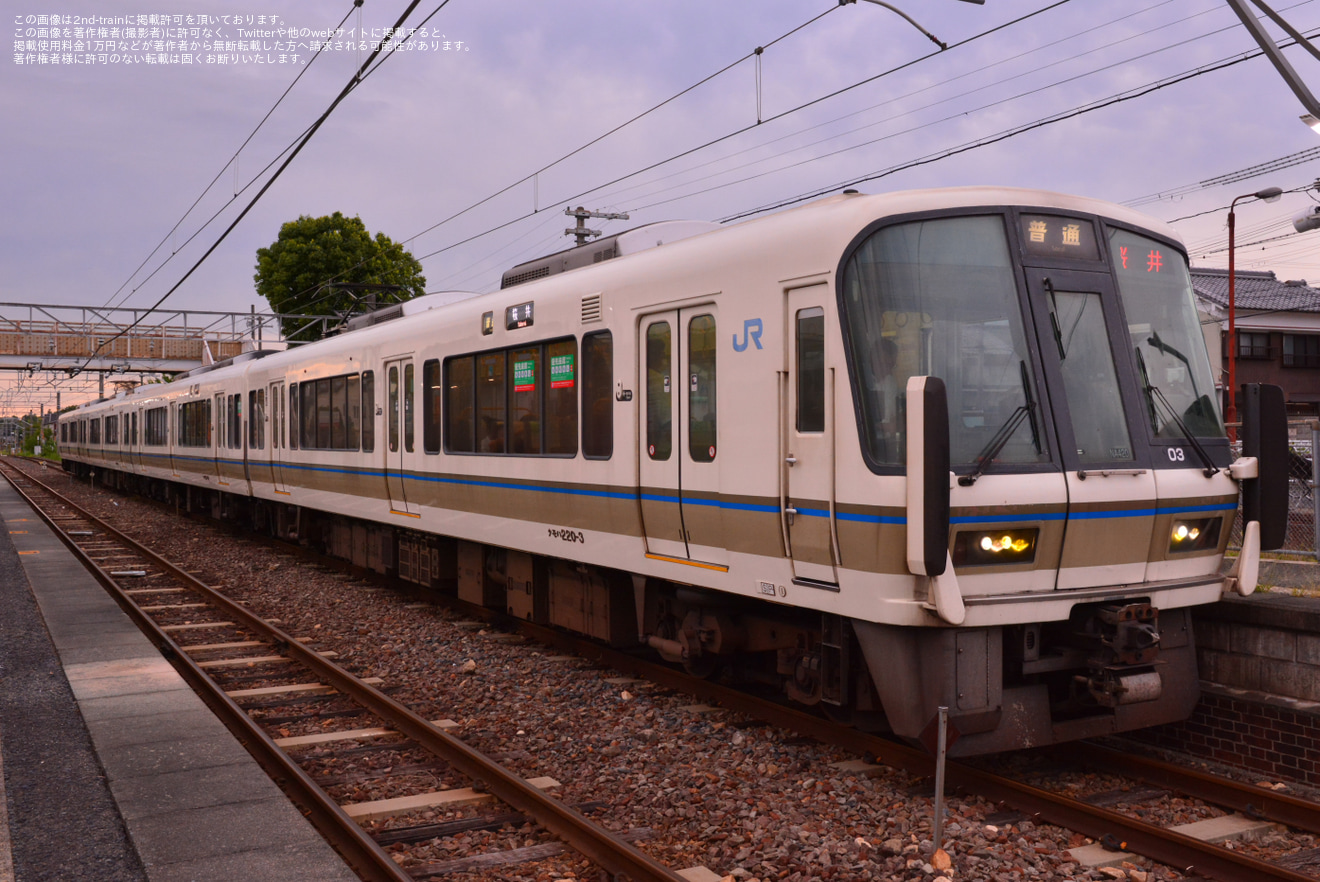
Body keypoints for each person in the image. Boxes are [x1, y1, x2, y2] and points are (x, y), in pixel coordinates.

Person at [865, 337, 900, 462]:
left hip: (886, 442)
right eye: (887, 363)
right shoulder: (865, 383)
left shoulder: (890, 382)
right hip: (868, 443)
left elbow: (894, 423)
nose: (890, 368)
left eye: (892, 364)